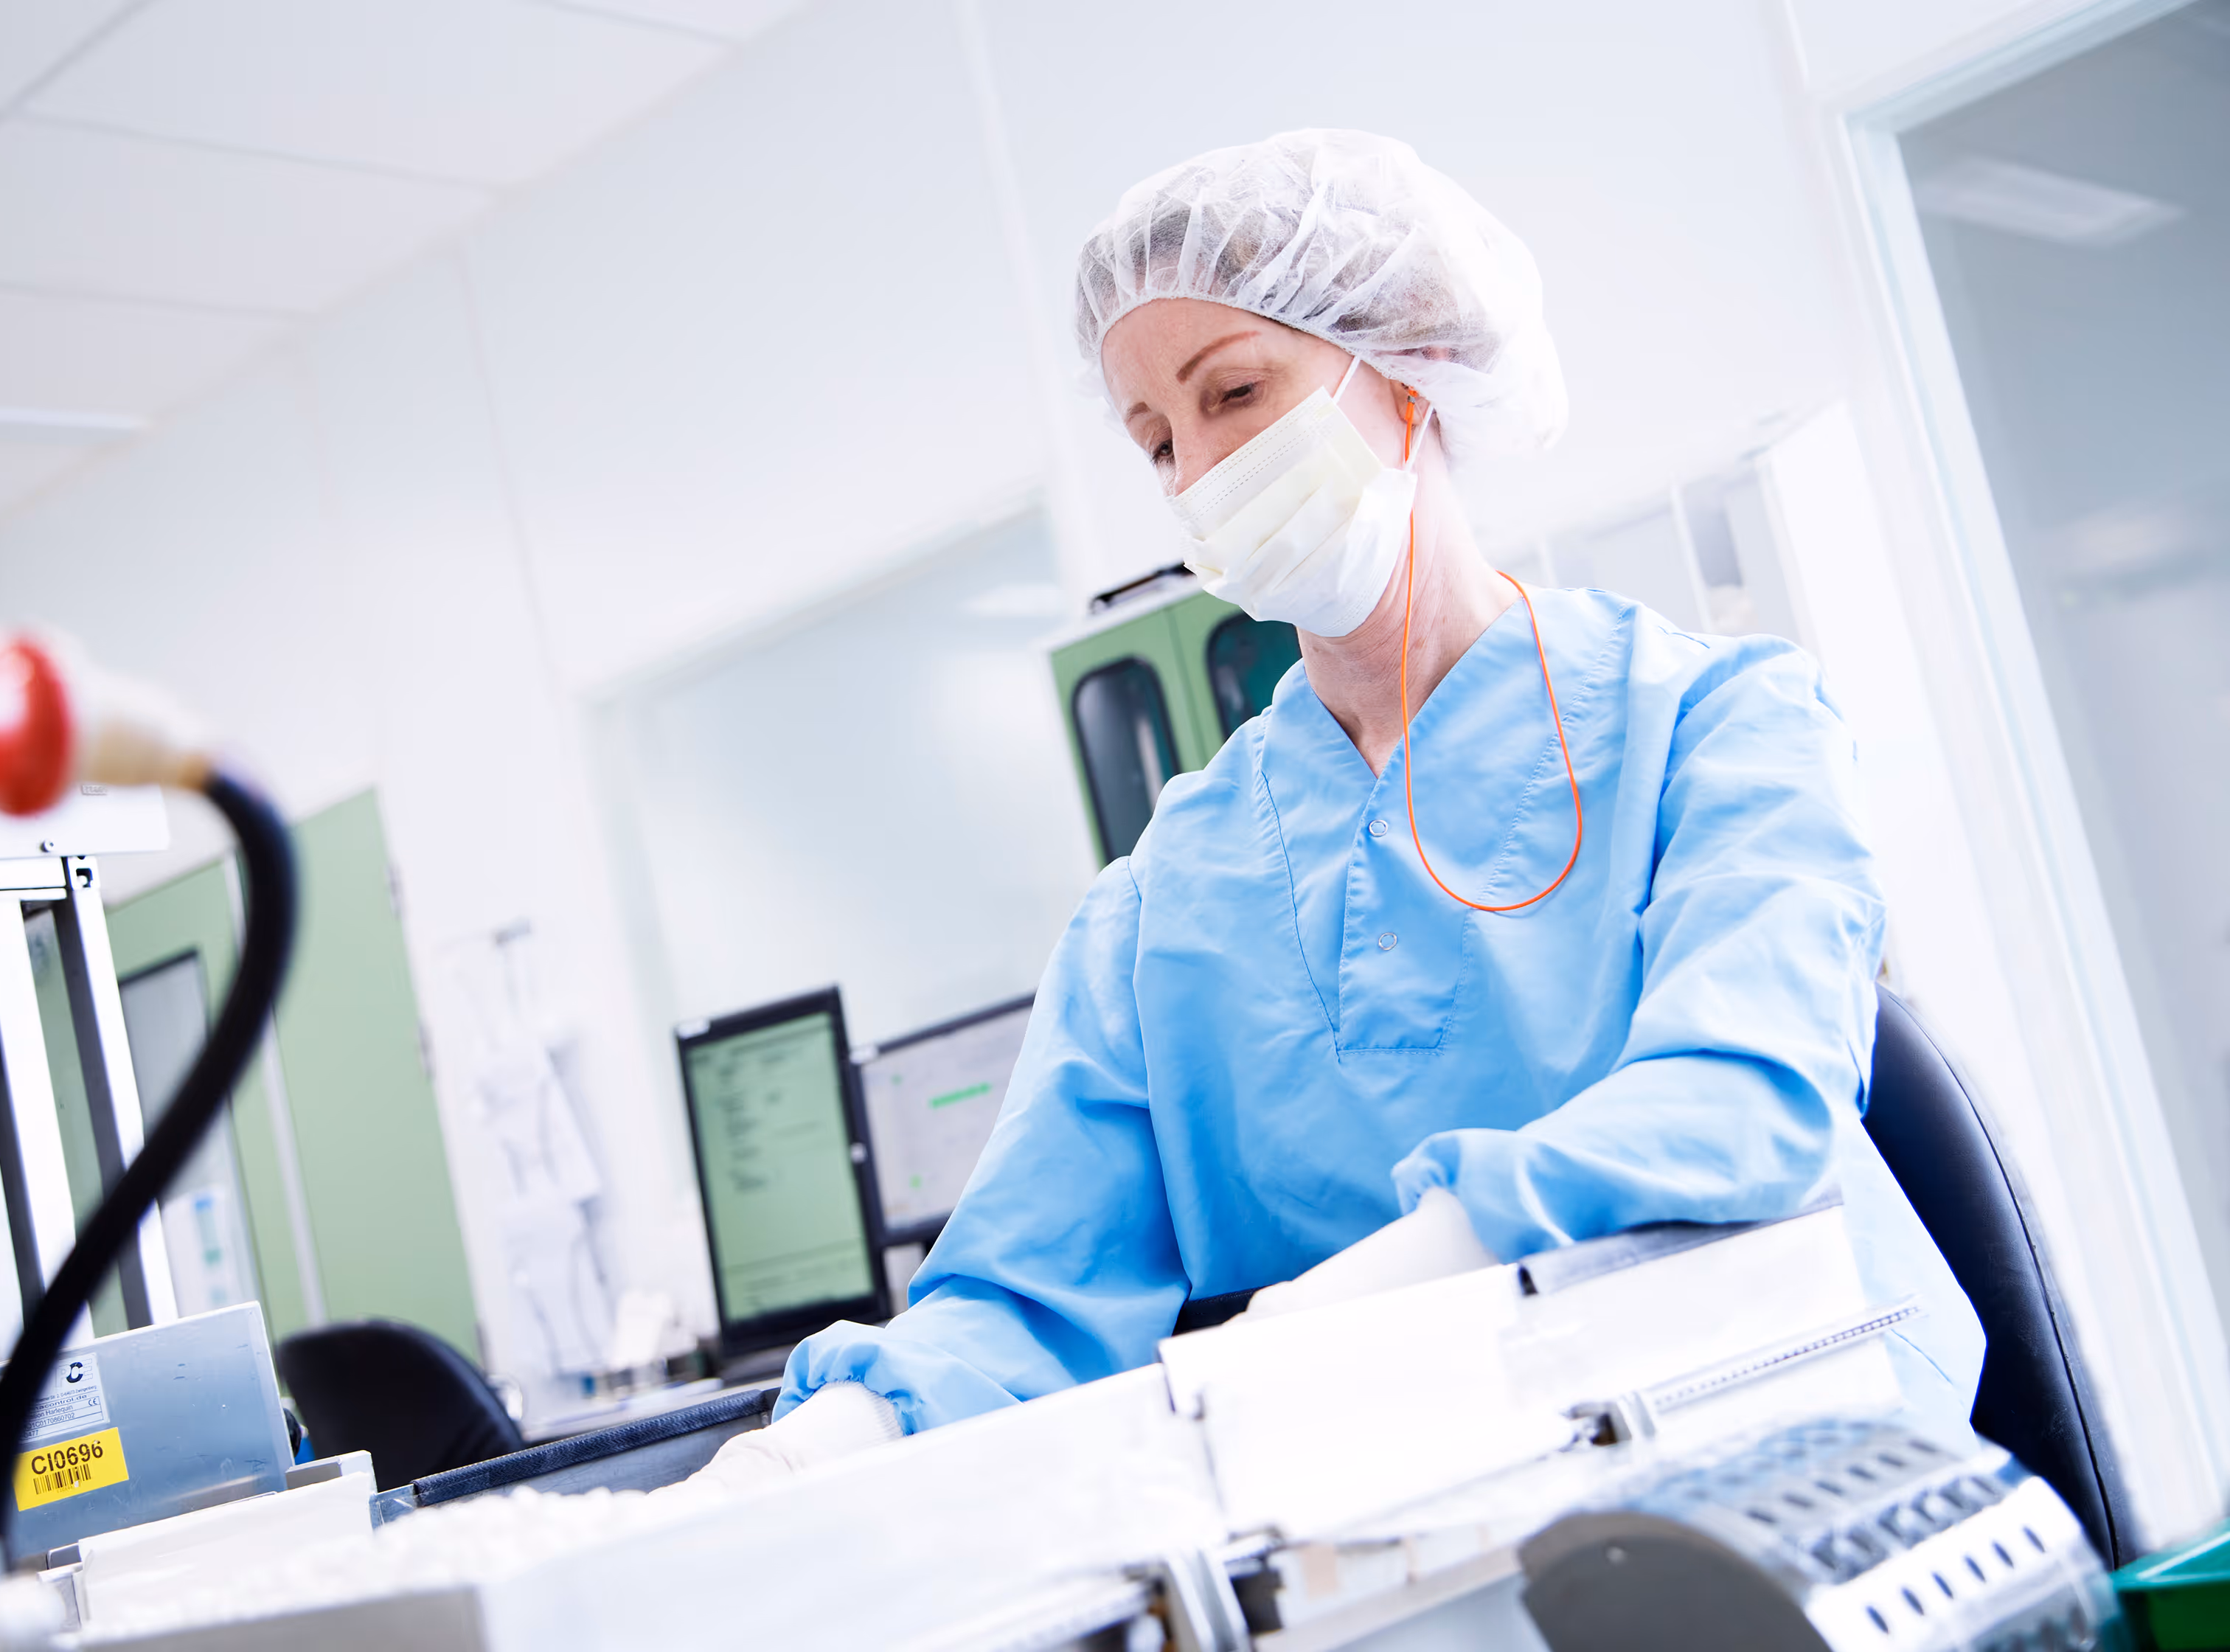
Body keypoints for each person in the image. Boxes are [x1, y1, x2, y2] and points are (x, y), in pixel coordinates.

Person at [674, 128, 1984, 1499]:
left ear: (1411, 365)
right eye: (1157, 438)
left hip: (1793, 1471)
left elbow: (1741, 1099)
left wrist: (1389, 1292)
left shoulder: (1717, 728)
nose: (1198, 472)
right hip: (1396, 1525)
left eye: (1235, 394)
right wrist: (804, 1458)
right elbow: (1026, 1294)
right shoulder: (1161, 903)